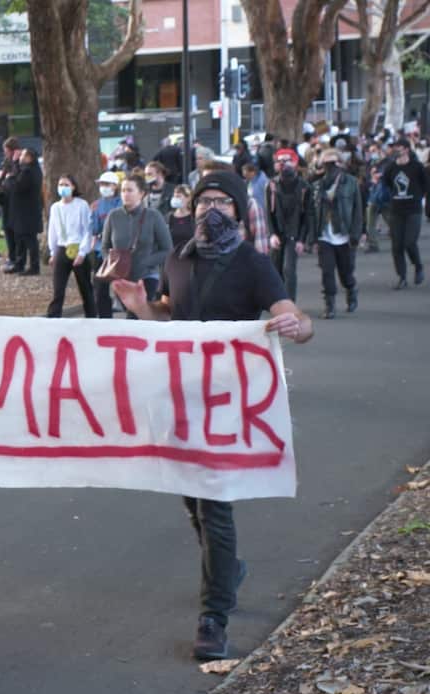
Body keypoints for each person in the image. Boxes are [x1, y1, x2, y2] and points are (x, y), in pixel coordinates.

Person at [112, 169, 314, 661]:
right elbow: (170, 315)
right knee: (192, 499)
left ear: (239, 211)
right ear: (193, 207)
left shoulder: (254, 265)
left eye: (223, 201)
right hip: (182, 399)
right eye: (205, 201)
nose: (212, 209)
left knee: (213, 504)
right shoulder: (178, 260)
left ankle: (213, 617)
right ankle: (228, 570)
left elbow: (297, 318)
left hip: (229, 405)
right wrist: (142, 308)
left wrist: (297, 326)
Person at [101, 175, 172, 311]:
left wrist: (146, 262)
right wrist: (112, 264)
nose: (125, 194)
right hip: (122, 278)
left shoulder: (154, 216)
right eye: (123, 190)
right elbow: (105, 247)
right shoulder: (113, 216)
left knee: (137, 316)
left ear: (141, 193)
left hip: (147, 276)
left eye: (129, 190)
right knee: (129, 314)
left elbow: (167, 249)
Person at [310, 148, 362, 318]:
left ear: (340, 163)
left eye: (333, 163)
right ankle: (330, 305)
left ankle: (351, 290)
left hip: (344, 235)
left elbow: (358, 210)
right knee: (327, 272)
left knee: (345, 273)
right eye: (326, 163)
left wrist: (357, 233)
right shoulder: (317, 185)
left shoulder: (351, 183)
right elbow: (311, 212)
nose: (329, 167)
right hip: (324, 236)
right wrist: (312, 238)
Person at [266, 149, 313, 302]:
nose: (283, 164)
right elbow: (269, 212)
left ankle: (289, 303)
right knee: (275, 269)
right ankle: (278, 300)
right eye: (280, 161)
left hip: (294, 233)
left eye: (287, 160)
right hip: (277, 232)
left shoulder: (305, 187)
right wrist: (272, 234)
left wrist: (302, 239)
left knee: (289, 269)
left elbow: (307, 215)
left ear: (295, 162)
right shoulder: (272, 185)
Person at [45, 175, 95, 318]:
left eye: (66, 185)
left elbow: (87, 230)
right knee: (58, 288)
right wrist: (53, 252)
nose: (63, 188)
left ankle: (91, 316)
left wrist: (82, 252)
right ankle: (53, 317)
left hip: (78, 247)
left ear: (73, 187)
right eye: (60, 185)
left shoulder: (81, 205)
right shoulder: (55, 207)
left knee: (85, 287)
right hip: (62, 248)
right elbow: (53, 231)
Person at [380, 138, 426, 289]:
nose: (396, 150)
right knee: (397, 245)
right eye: (395, 147)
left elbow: (425, 184)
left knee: (409, 242)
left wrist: (418, 197)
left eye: (399, 147)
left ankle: (418, 266)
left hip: (414, 210)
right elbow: (386, 183)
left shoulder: (417, 167)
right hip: (396, 210)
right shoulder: (391, 168)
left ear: (406, 149)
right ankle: (402, 277)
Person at [1, 147, 43, 275]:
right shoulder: (32, 170)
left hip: (26, 212)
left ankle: (34, 266)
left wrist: (9, 178)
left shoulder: (28, 171)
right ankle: (19, 263)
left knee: (29, 240)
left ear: (29, 158)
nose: (21, 158)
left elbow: (17, 186)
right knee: (20, 238)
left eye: (23, 156)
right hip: (24, 211)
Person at [91, 171, 124, 318]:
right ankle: (105, 318)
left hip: (120, 252)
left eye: (106, 184)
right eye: (101, 184)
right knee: (100, 288)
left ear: (115, 186)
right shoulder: (98, 205)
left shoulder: (121, 203)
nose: (103, 187)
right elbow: (94, 229)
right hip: (101, 251)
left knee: (122, 286)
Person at [168, 185, 195, 249]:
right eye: (174, 196)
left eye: (178, 196)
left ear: (188, 198)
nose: (175, 199)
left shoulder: (194, 217)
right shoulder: (169, 217)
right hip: (173, 253)